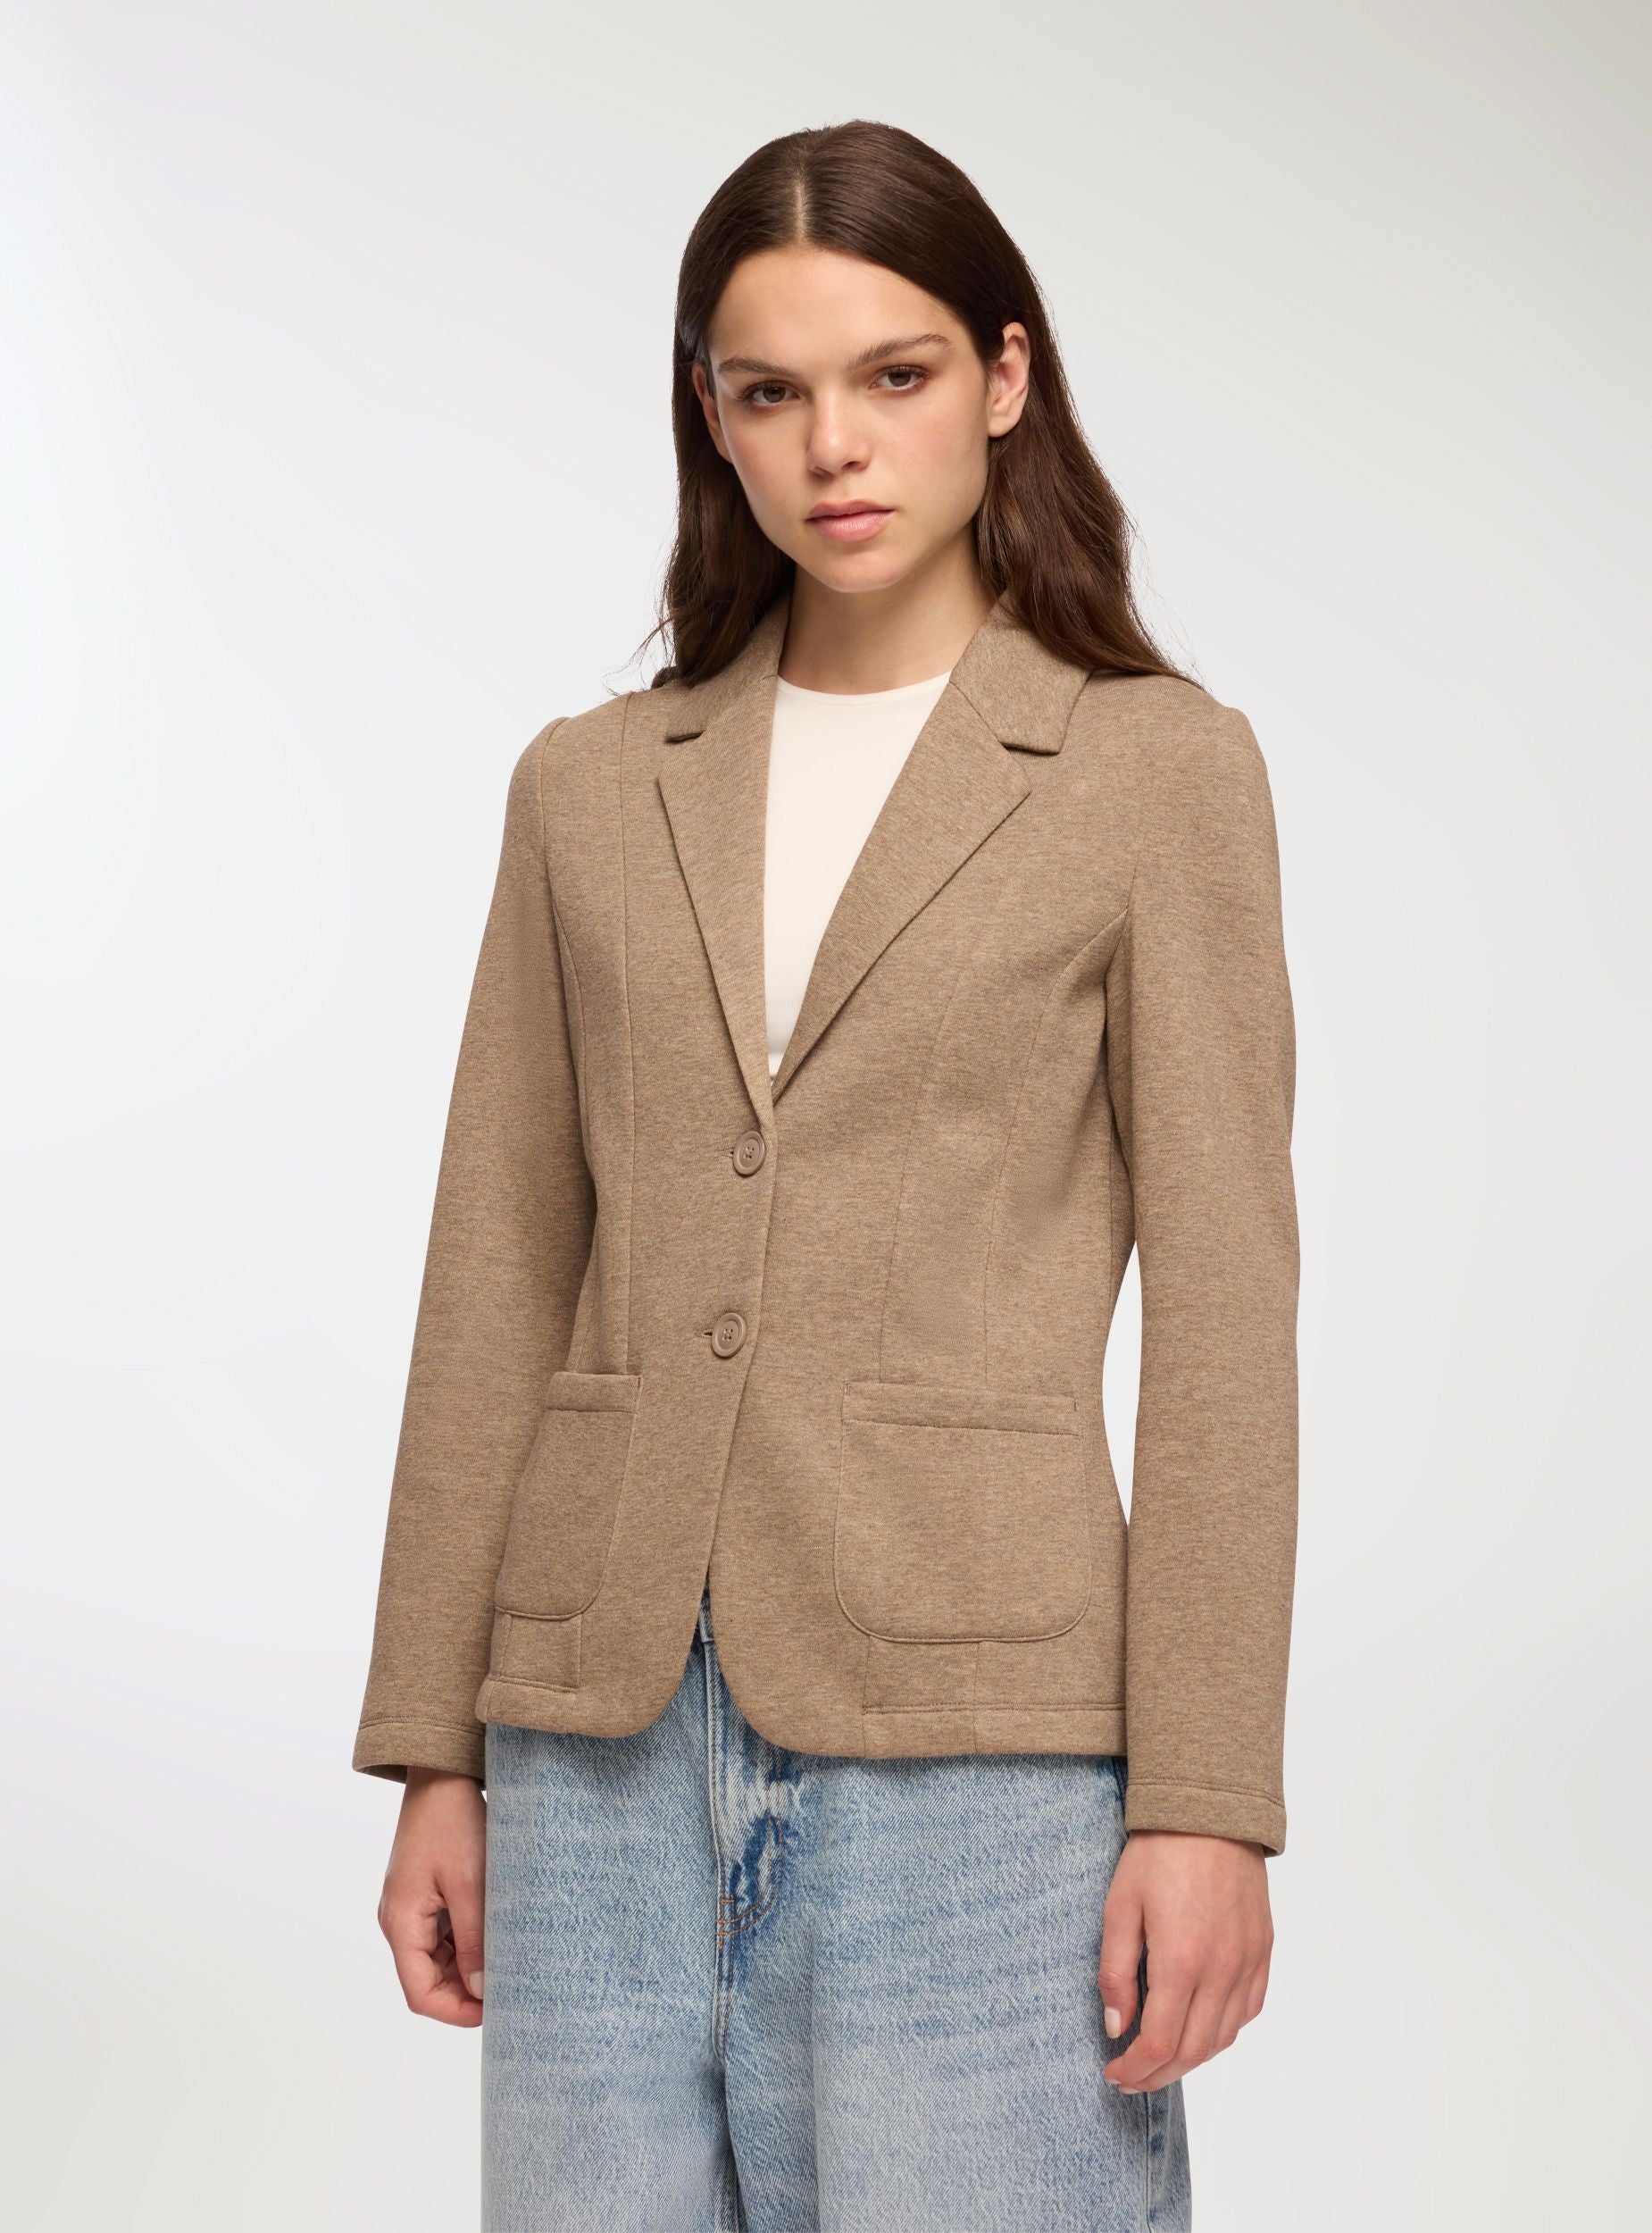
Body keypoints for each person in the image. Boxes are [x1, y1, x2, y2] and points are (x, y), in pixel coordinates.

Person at [351, 119, 1298, 2232]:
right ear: (711, 413)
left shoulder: (1152, 769)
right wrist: (436, 1740)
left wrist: (1208, 1796)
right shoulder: (591, 786)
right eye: (768, 390)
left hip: (979, 1745)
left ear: (1004, 375)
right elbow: (500, 1256)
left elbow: (1230, 1309)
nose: (832, 445)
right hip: (593, 1745)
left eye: (893, 373)